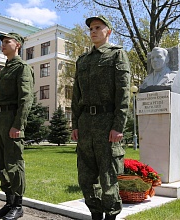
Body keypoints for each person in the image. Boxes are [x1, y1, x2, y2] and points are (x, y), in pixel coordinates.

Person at [71, 16, 131, 220]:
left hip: (107, 123)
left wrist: (118, 125)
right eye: (91, 29)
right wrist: (75, 124)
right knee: (86, 176)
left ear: (108, 32)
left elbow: (123, 93)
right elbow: (76, 96)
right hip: (86, 123)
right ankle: (95, 214)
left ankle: (111, 215)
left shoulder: (117, 55)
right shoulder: (83, 61)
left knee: (108, 177)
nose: (93, 31)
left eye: (98, 28)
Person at [0, 33, 34, 220]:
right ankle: (9, 201)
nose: (3, 45)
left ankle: (18, 204)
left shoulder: (22, 68)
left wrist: (18, 125)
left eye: (7, 42)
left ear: (17, 45)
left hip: (11, 119)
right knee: (0, 165)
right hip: (0, 120)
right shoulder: (5, 69)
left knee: (14, 164)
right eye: (2, 42)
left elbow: (26, 100)